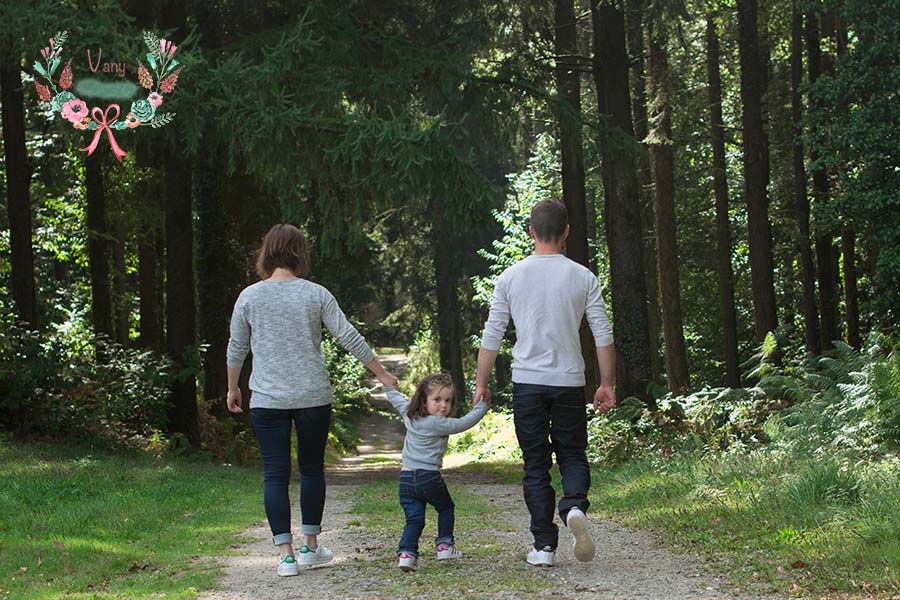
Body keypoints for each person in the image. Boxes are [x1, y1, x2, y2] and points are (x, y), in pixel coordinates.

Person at [226, 224, 398, 577]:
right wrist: (381, 374)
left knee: (274, 475)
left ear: (267, 254)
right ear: (299, 254)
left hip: (267, 399)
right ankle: (311, 547)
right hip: (312, 397)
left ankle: (286, 557)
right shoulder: (315, 294)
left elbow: (237, 348)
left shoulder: (249, 297)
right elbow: (348, 335)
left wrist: (233, 389)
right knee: (311, 470)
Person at [474, 199, 616, 567]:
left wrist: (481, 384)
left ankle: (544, 547)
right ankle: (573, 505)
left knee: (535, 464)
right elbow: (602, 333)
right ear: (566, 232)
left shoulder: (510, 277)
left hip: (527, 383)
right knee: (572, 454)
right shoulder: (583, 276)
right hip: (569, 381)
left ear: (531, 232)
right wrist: (606, 384)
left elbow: (492, 336)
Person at [384, 373, 489, 572]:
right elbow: (465, 422)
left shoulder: (409, 413)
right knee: (446, 508)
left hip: (405, 479)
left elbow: (396, 399)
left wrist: (389, 387)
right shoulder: (438, 423)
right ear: (424, 401)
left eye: (448, 400)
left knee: (414, 519)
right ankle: (445, 545)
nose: (443, 406)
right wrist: (483, 405)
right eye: (437, 400)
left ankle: (407, 554)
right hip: (428, 477)